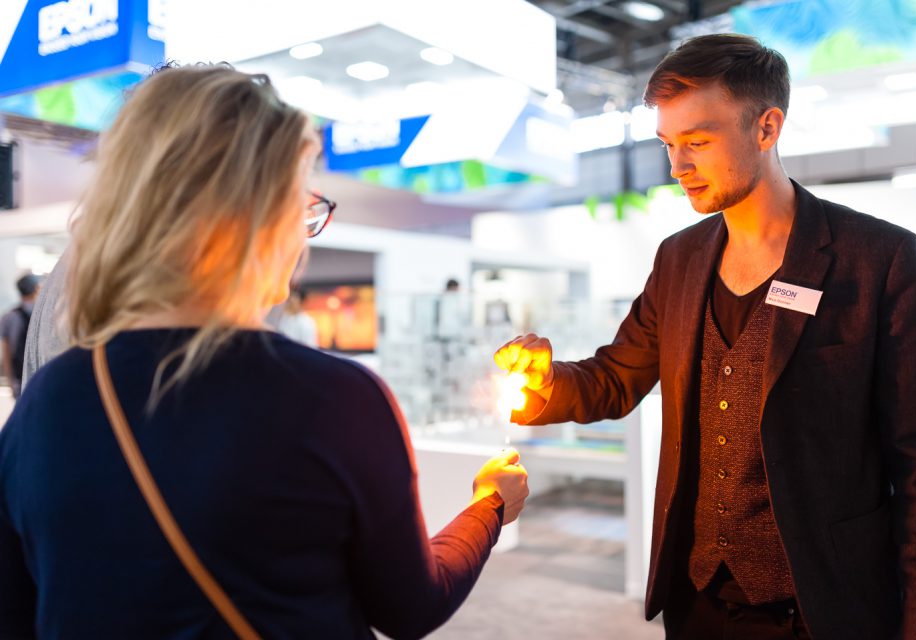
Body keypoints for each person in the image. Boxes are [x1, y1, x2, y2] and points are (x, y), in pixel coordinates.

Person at [0, 64, 529, 639]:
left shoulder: (47, 402)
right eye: (299, 201)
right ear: (257, 212)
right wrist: (488, 506)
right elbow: (410, 607)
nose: (304, 230)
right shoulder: (335, 400)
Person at [494, 34, 916, 640]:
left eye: (698, 142)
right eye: (668, 144)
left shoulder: (879, 257)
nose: (677, 167)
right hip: (698, 606)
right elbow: (614, 378)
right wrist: (545, 379)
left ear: (767, 128)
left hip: (824, 608)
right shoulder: (679, 259)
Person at [0, 273, 40, 399]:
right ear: (35, 289)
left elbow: (6, 353)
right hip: (40, 376)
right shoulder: (44, 317)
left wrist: (11, 382)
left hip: (19, 378)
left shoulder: (8, 317)